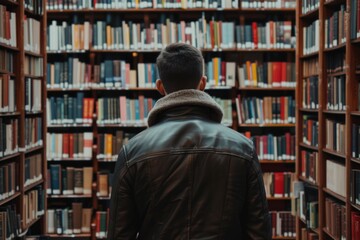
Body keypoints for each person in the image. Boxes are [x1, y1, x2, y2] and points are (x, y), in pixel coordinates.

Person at [108, 43, 271, 239]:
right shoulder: (242, 147)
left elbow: (119, 233)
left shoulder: (132, 152)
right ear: (202, 83)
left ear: (160, 87)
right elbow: (259, 231)